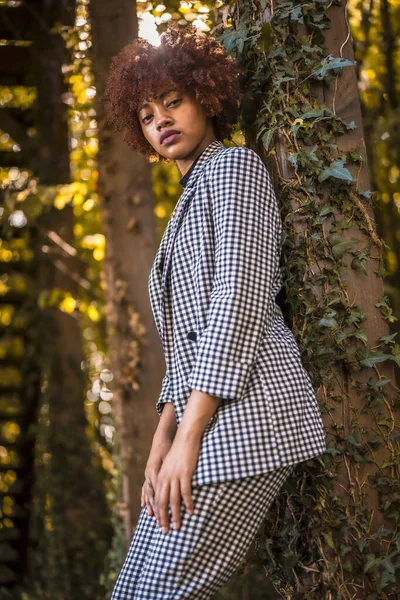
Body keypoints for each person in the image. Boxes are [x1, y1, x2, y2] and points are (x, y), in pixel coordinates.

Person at [104, 22, 326, 600]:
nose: (161, 122)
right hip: (208, 421)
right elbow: (190, 339)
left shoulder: (233, 170)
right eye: (148, 116)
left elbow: (238, 302)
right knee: (136, 589)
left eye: (173, 102)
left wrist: (188, 439)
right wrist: (161, 441)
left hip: (248, 419)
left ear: (207, 98)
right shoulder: (193, 194)